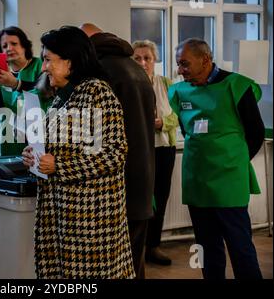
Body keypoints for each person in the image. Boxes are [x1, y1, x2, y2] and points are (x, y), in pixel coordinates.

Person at [22, 26, 135, 279]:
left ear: (70, 61)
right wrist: (35, 156)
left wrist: (59, 166)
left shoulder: (97, 92)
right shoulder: (62, 97)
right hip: (62, 216)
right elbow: (61, 148)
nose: (43, 67)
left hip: (90, 223)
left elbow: (115, 154)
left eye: (48, 60)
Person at [169, 38, 265, 279]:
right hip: (197, 183)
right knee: (206, 248)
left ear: (205, 60)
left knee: (240, 247)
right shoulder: (180, 92)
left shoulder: (237, 86)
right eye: (178, 65)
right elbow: (186, 129)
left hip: (229, 183)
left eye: (184, 64)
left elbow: (256, 133)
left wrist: (234, 163)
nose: (180, 71)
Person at [80, 23, 155, 279]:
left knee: (114, 267)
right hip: (143, 178)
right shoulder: (136, 68)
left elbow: (96, 136)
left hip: (116, 182)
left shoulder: (100, 72)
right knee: (135, 262)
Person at [132, 40, 178, 266]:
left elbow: (178, 115)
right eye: (137, 58)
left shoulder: (167, 84)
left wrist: (161, 122)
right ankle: (135, 250)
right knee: (140, 199)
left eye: (147, 58)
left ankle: (153, 246)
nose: (142, 63)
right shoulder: (129, 84)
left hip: (164, 149)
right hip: (139, 151)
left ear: (155, 60)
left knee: (161, 197)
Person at [0, 26, 44, 156]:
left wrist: (16, 84)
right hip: (11, 137)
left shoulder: (39, 65)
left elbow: (45, 92)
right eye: (4, 46)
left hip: (36, 134)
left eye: (14, 44)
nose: (9, 48)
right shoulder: (1, 74)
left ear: (24, 46)